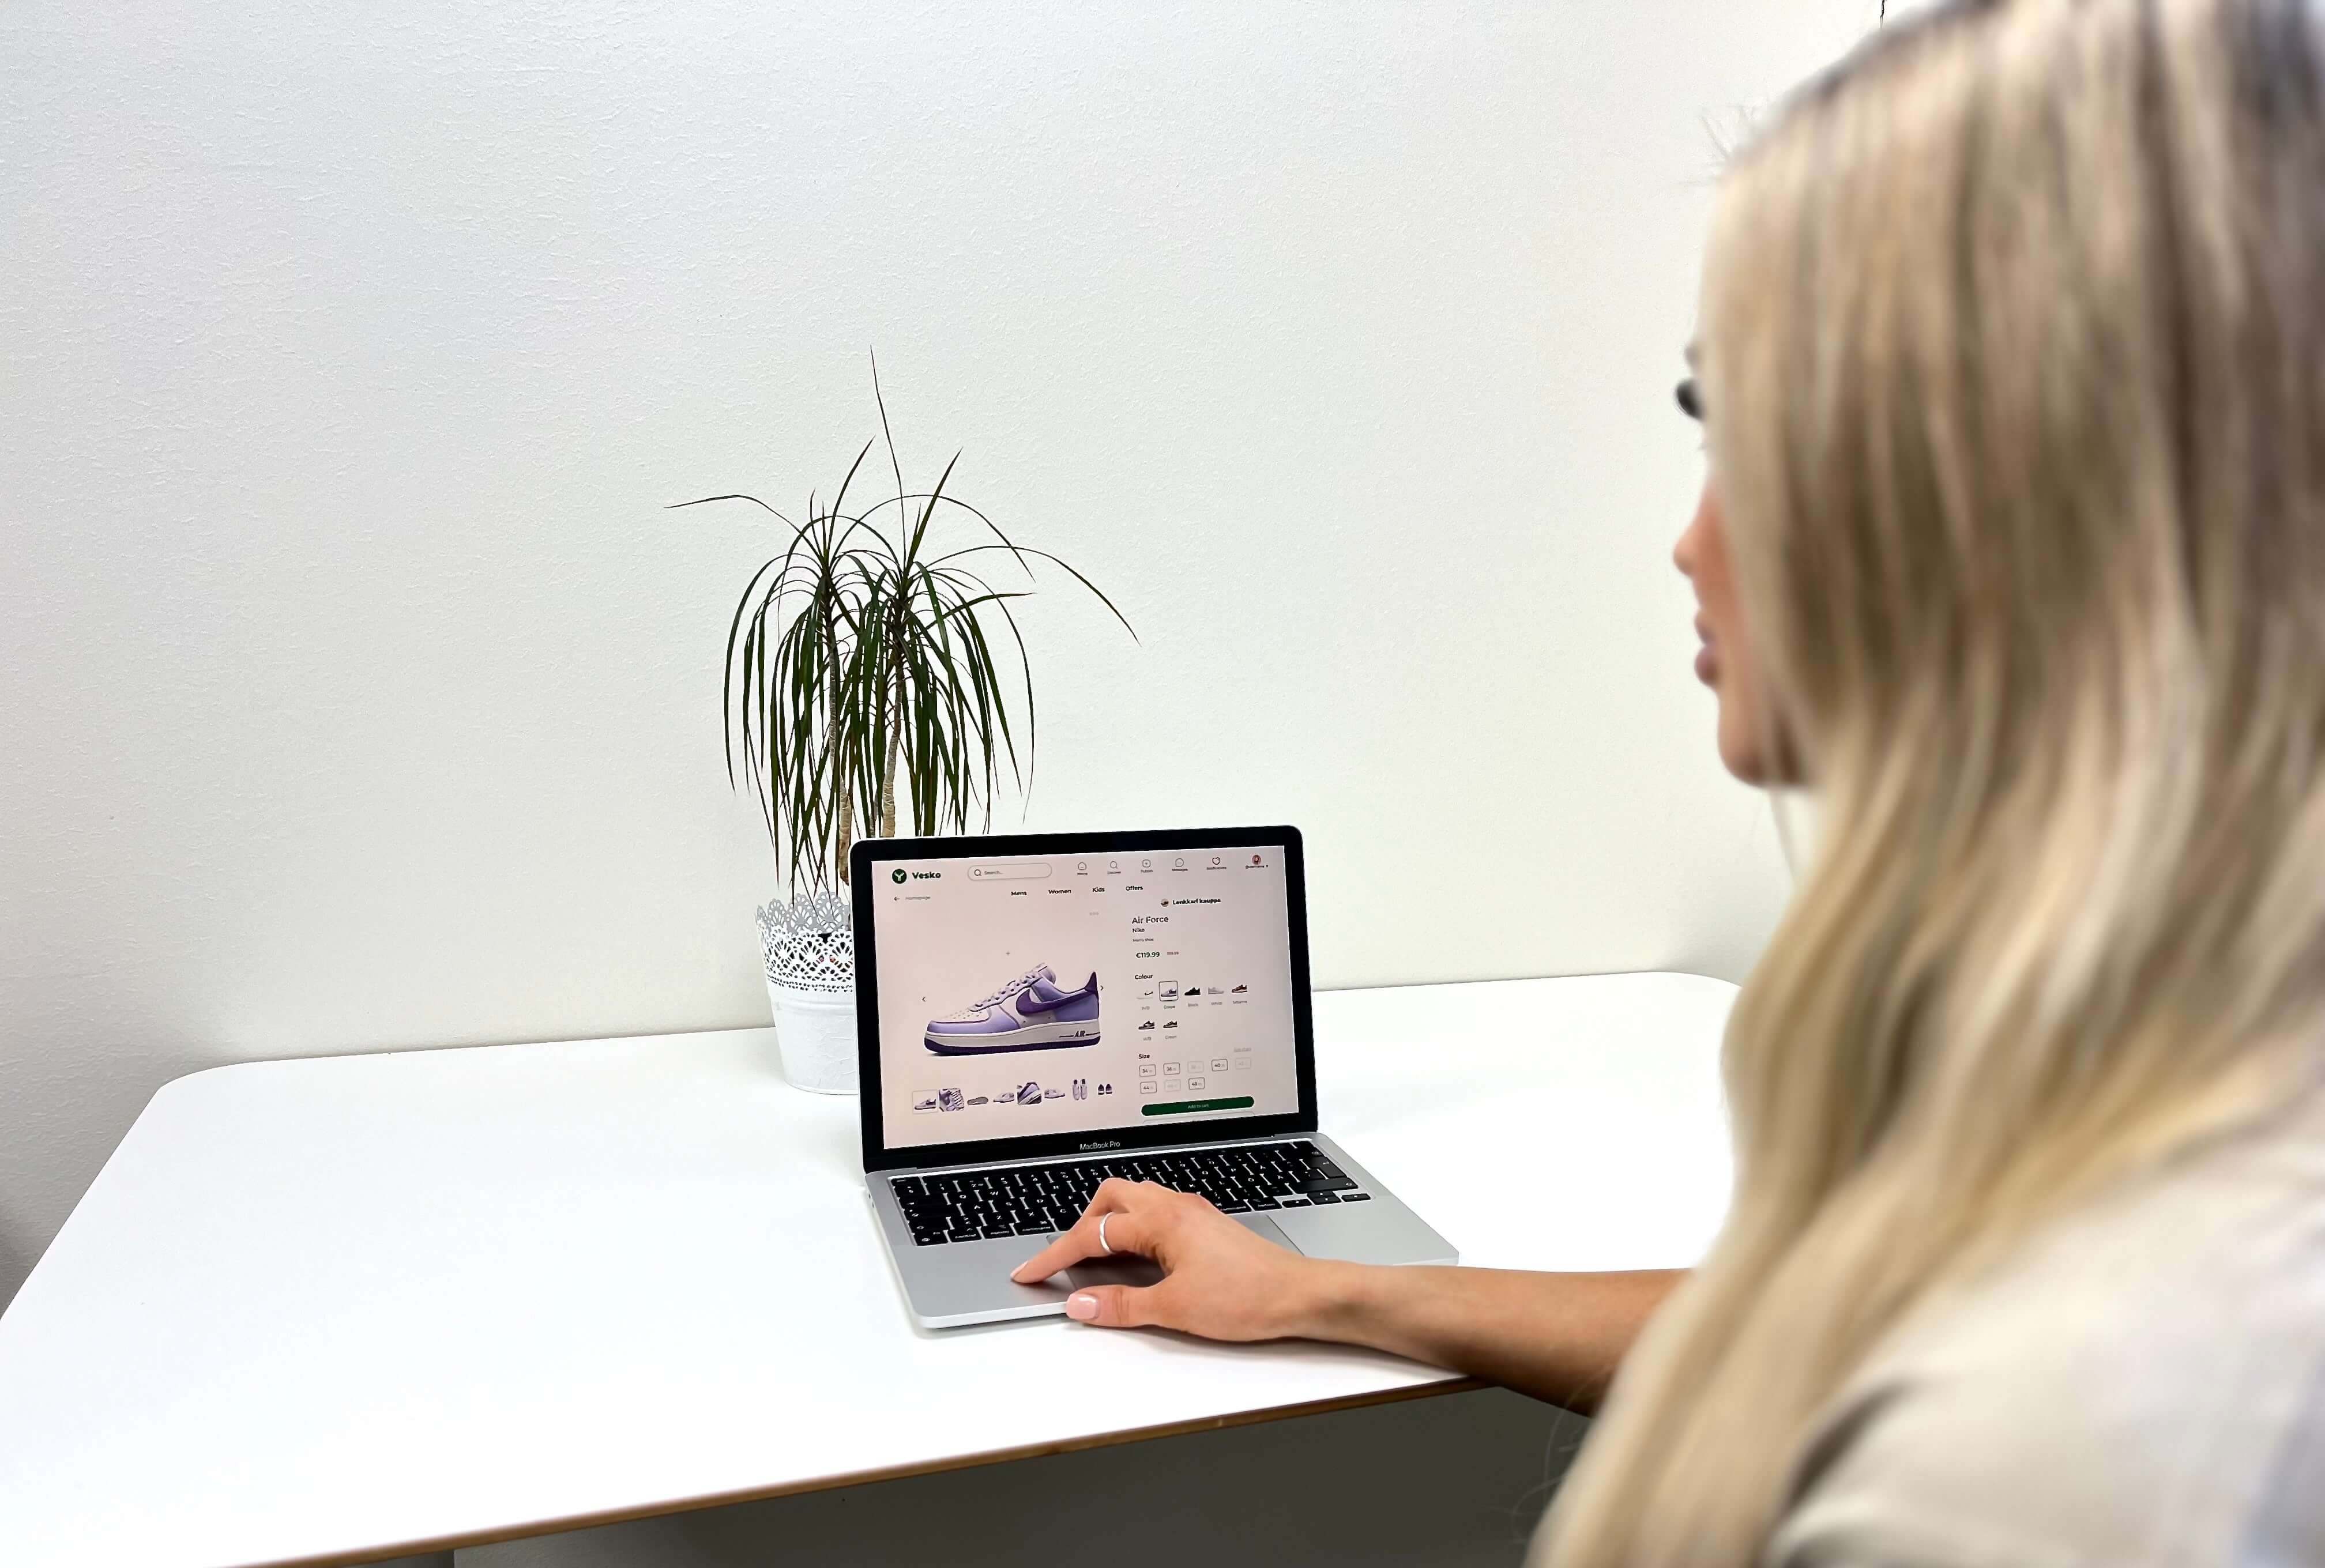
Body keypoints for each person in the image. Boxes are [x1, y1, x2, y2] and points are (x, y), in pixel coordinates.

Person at [1015, 0, 2325, 1561]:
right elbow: (1836, 1327)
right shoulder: (2188, 1124)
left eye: (1738, 429)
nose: (1691, 540)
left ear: (1979, 491)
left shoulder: (2050, 1461)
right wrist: (1319, 1290)